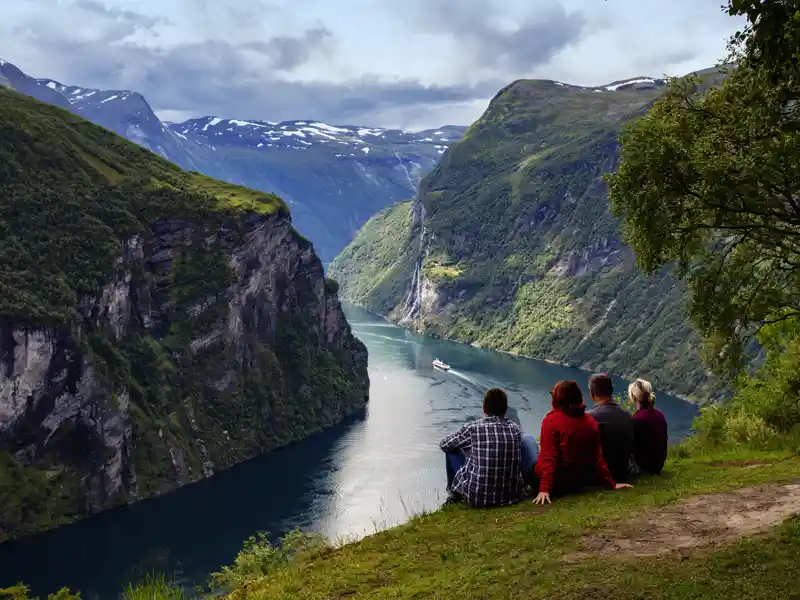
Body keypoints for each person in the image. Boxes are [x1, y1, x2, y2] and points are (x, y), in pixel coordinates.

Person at [534, 380, 632, 505]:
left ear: (557, 399)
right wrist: (611, 484)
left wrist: (544, 489)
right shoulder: (590, 422)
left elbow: (549, 458)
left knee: (529, 446)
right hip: (577, 482)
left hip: (556, 483)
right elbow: (597, 458)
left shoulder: (551, 421)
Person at [441, 388, 532, 507]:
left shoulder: (473, 428)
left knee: (452, 450)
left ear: (484, 409)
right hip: (511, 495)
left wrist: (467, 448)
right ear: (505, 410)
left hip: (477, 497)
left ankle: (453, 496)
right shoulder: (515, 429)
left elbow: (444, 445)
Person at [587, 373, 634, 483]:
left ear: (592, 393)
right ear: (611, 390)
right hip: (622, 473)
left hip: (598, 477)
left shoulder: (589, 418)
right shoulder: (627, 415)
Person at [629, 379, 668, 475]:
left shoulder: (636, 419)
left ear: (634, 397)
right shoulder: (660, 415)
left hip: (642, 468)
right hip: (658, 466)